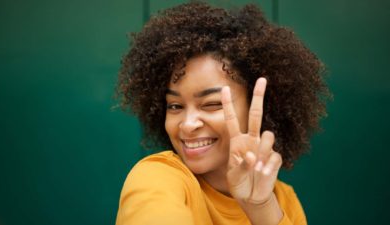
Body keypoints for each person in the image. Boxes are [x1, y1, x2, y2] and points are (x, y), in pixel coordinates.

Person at [115, 2, 330, 225]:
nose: (187, 124)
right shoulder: (156, 177)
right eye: (175, 106)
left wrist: (261, 208)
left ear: (262, 106)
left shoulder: (284, 202)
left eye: (211, 104)